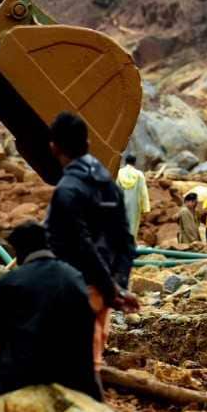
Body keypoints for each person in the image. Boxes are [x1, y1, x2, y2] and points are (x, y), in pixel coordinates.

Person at [44, 111, 139, 371]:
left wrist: (111, 289)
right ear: (87, 144)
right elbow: (126, 241)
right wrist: (118, 285)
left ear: (54, 147)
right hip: (103, 288)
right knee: (91, 361)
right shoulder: (109, 185)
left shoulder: (67, 190)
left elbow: (79, 244)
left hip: (75, 287)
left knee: (72, 367)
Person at [0, 222, 101, 401]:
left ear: (21, 250)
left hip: (19, 378)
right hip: (71, 377)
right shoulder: (74, 276)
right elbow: (88, 329)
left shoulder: (10, 281)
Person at [115, 154, 149, 241]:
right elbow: (143, 192)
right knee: (132, 224)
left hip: (121, 203)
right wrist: (145, 208)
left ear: (125, 161)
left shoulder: (120, 172)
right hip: (134, 204)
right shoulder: (139, 174)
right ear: (135, 163)